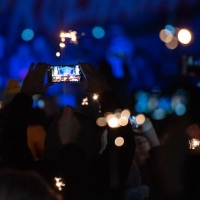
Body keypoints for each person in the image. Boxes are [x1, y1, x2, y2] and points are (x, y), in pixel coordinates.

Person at [0, 62, 135, 200]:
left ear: (46, 144)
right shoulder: (103, 178)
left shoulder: (37, 181)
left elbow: (11, 146)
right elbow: (124, 142)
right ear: (96, 144)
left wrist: (26, 94)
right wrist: (103, 91)